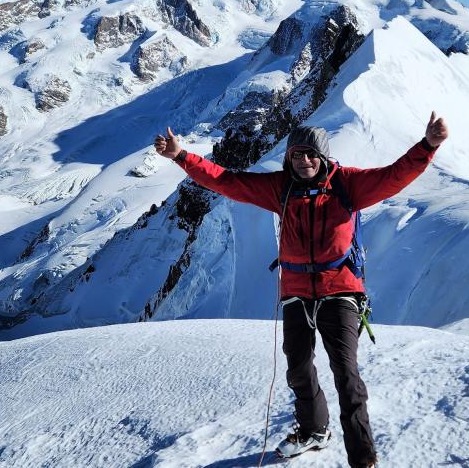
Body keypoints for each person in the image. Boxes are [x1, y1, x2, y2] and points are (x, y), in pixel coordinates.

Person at [154, 112, 448, 467]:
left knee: (346, 372)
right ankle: (313, 430)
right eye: (297, 154)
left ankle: (363, 457)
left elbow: (393, 176)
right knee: (298, 369)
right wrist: (182, 157)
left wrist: (427, 146)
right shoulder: (282, 188)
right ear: (289, 158)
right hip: (295, 293)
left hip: (339, 290)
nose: (304, 161)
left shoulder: (347, 185)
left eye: (310, 154)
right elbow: (228, 182)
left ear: (322, 157)